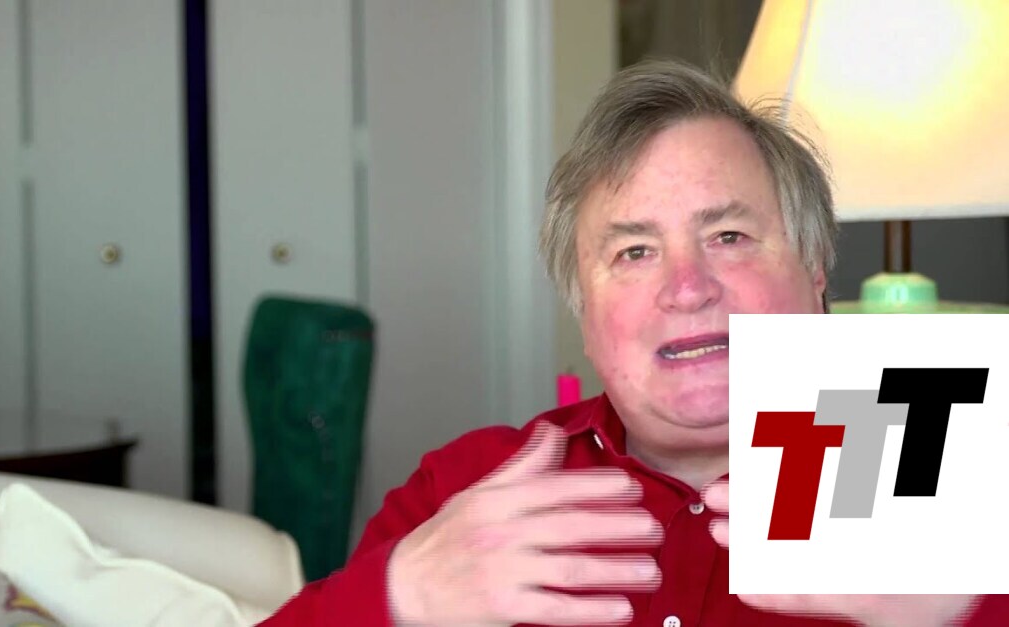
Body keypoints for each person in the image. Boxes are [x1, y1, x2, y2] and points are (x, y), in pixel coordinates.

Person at [257, 59, 1008, 626]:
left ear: (816, 270)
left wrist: (969, 609)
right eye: (634, 252)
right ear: (584, 312)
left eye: (729, 235)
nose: (687, 286)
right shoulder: (466, 491)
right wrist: (402, 596)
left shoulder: (961, 475)